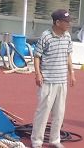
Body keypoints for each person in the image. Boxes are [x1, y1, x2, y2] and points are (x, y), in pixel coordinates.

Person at [31, 8, 76, 148]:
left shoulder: (67, 36)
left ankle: (55, 139)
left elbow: (68, 55)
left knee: (59, 113)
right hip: (48, 81)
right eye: (66, 21)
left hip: (61, 80)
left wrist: (72, 73)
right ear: (57, 22)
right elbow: (37, 56)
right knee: (43, 112)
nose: (69, 24)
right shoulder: (46, 36)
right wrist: (38, 74)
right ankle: (37, 141)